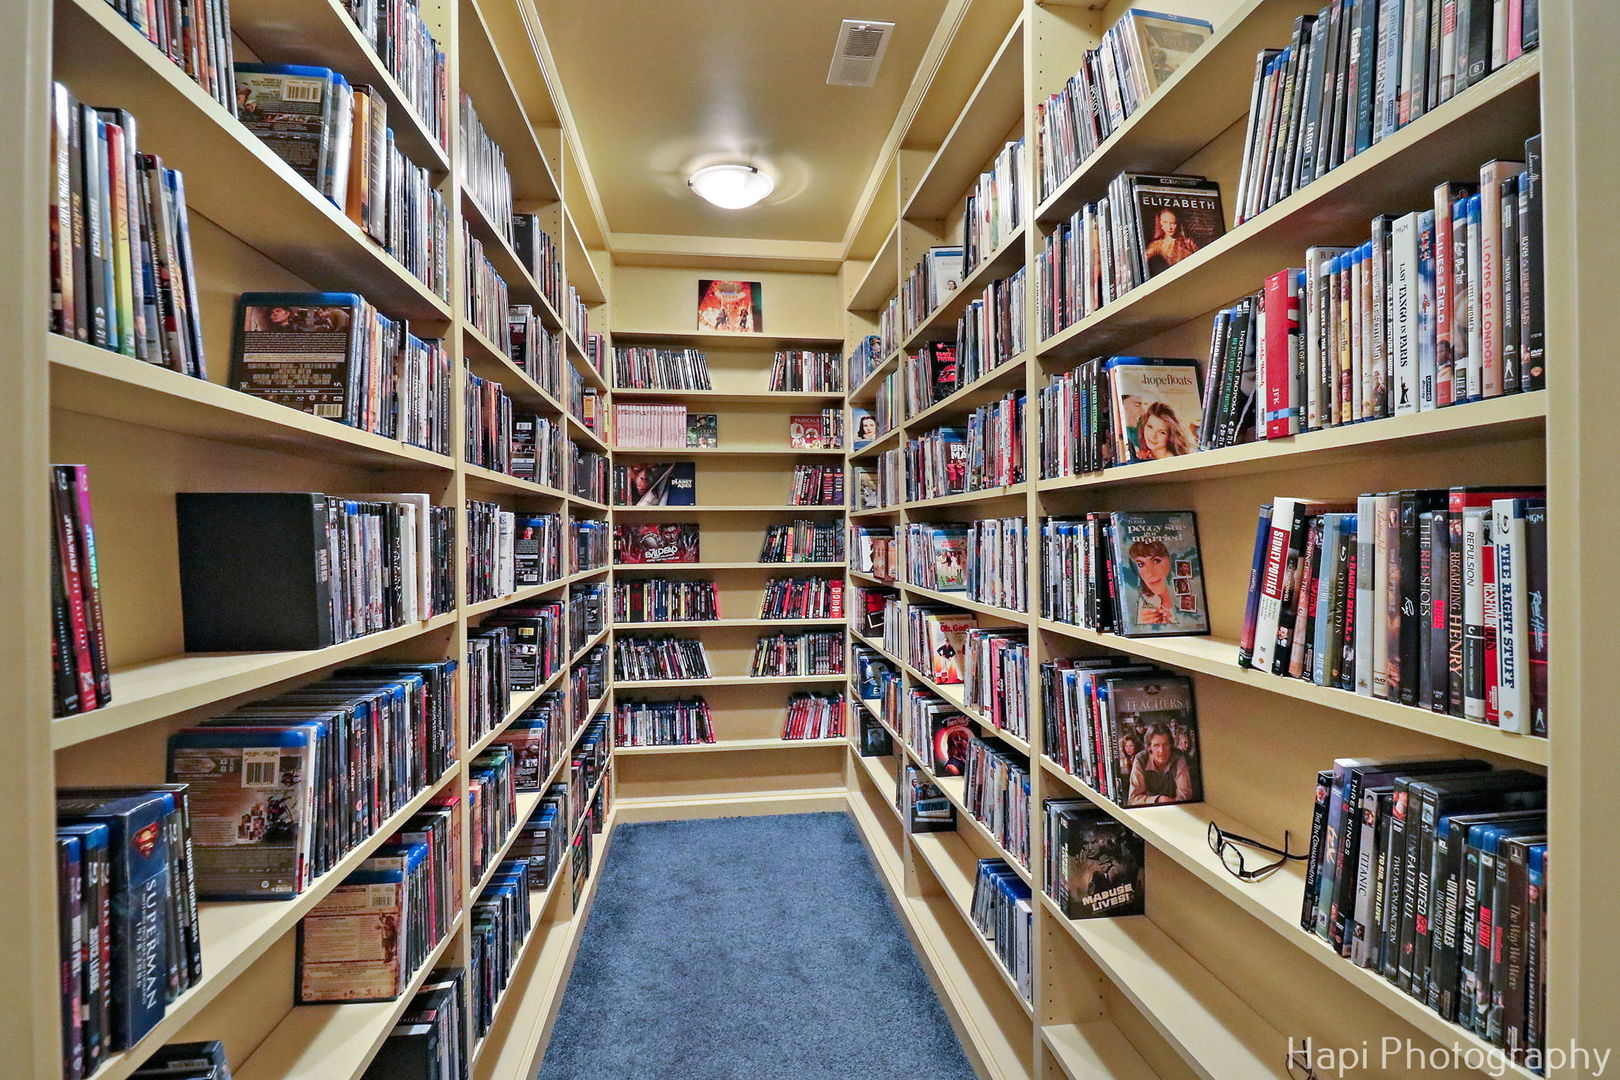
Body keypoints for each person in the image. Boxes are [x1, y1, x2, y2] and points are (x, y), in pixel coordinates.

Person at [1128, 722, 1196, 806]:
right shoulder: (1140, 760)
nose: (1162, 751)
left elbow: (1185, 797)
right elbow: (1133, 799)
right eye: (1156, 745)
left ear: (1171, 745)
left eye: (1166, 744)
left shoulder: (1178, 757)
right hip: (1149, 810)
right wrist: (1157, 800)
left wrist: (1170, 804)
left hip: (1174, 808)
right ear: (1149, 747)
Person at [1128, 537, 1184, 627]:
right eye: (1141, 564)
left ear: (1171, 560)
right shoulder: (1142, 604)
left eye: (1156, 561)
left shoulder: (1191, 601)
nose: (1149, 573)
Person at [1143, 206, 1200, 276]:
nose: (1169, 227)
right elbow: (1144, 259)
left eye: (1173, 223)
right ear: (1160, 224)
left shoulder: (1189, 242)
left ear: (1178, 223)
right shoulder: (1157, 245)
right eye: (1165, 222)